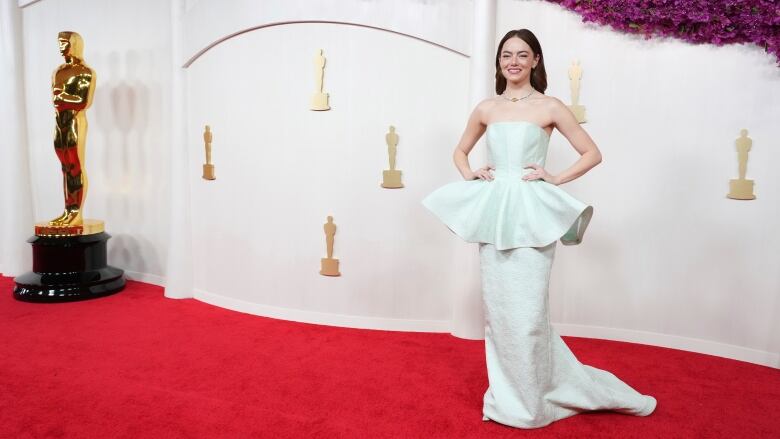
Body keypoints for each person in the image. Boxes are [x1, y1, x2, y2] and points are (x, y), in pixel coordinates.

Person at [422, 29, 656, 429]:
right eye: (506, 55)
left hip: (531, 212)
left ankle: (536, 399)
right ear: (499, 63)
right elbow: (460, 151)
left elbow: (592, 153)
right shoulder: (486, 108)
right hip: (497, 213)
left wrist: (555, 178)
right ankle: (511, 398)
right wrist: (471, 175)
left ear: (535, 61)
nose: (513, 61)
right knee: (500, 316)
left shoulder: (550, 106)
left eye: (522, 54)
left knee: (528, 317)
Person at [49, 31, 96, 226]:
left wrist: (62, 98)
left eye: (64, 43)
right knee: (65, 167)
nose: (61, 46)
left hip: (76, 121)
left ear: (74, 44)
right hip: (60, 122)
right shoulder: (58, 71)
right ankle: (67, 210)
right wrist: (62, 99)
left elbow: (83, 101)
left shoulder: (85, 72)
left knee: (75, 166)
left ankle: (76, 212)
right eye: (59, 43)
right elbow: (55, 100)